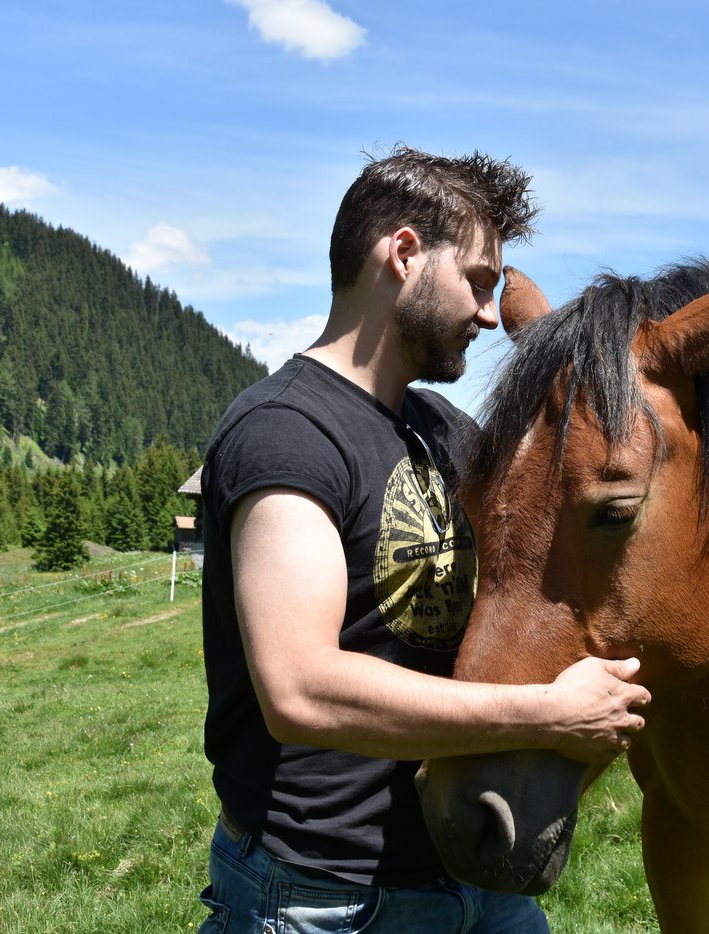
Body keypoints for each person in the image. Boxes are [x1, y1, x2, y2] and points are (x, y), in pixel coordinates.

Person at [197, 146, 651, 934]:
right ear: (403, 254)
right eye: (478, 280)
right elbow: (299, 689)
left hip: (469, 870)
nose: (487, 312)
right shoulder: (287, 434)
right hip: (326, 894)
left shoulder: (447, 430)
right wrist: (546, 714)